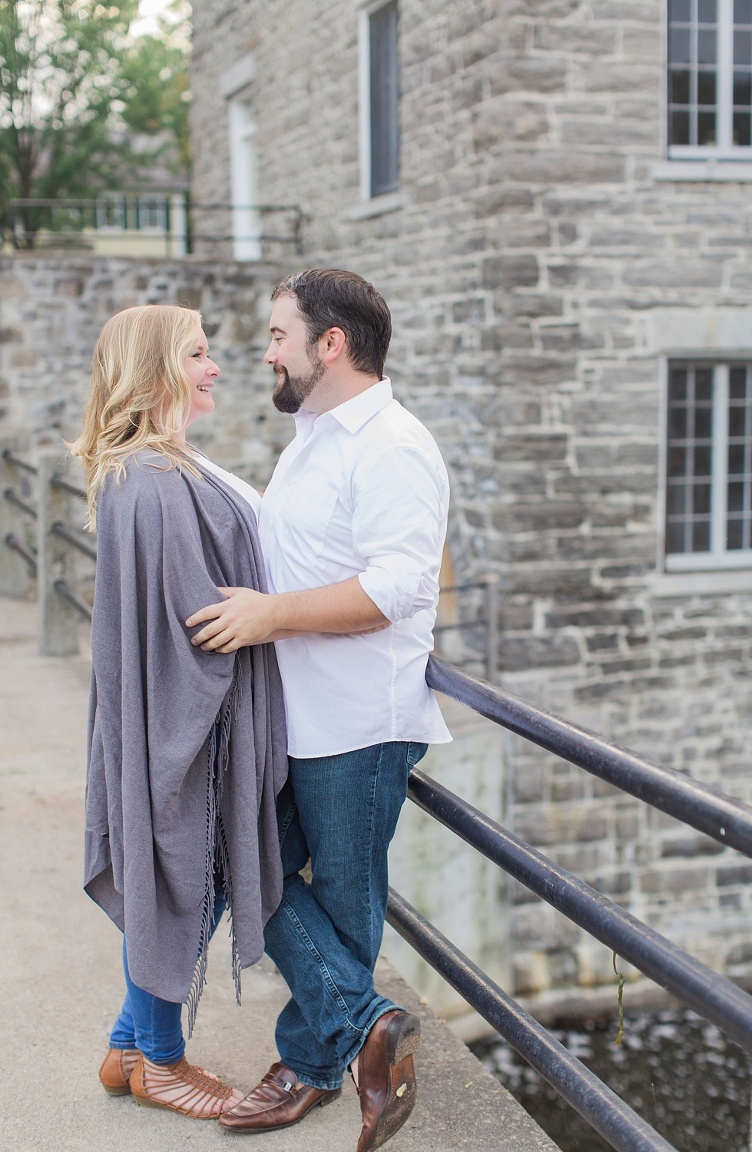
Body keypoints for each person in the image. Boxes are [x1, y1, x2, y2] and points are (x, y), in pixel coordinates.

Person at [185, 268, 451, 1150]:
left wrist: (270, 615)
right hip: (292, 714)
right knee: (238, 861)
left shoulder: (395, 448)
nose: (265, 353)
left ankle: (308, 1065)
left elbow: (397, 588)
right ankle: (372, 1027)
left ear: (330, 344)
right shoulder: (312, 435)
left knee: (339, 901)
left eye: (276, 336)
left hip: (358, 723)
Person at [70, 304, 289, 1120]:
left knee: (186, 878)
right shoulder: (155, 483)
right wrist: (271, 613)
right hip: (182, 725)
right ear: (157, 368)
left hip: (162, 716)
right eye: (198, 354)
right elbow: (195, 619)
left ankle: (131, 1044)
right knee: (186, 879)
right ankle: (159, 1059)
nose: (216, 367)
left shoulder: (151, 468)